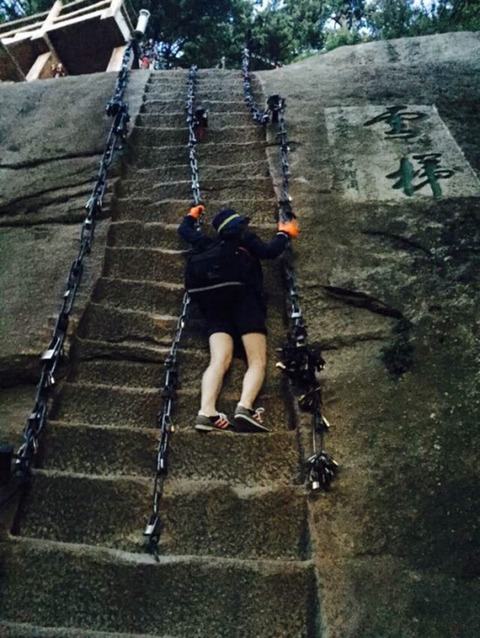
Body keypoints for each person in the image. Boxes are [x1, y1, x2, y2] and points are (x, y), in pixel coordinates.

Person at [178, 205, 298, 433]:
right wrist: (284, 232)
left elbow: (184, 231)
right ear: (239, 226)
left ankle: (206, 411)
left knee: (218, 360)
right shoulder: (245, 240)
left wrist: (192, 216)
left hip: (213, 305)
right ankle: (245, 407)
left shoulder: (206, 243)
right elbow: (270, 251)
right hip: (244, 301)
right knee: (257, 361)